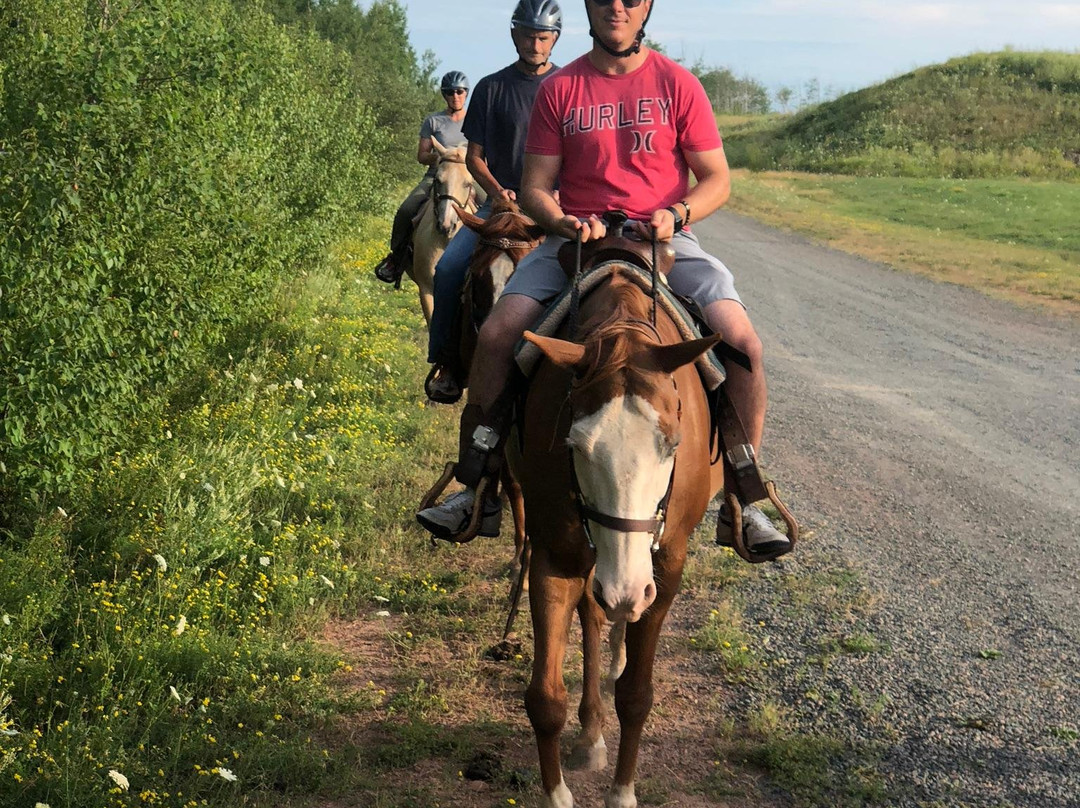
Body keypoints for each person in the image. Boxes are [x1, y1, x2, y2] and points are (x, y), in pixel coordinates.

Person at [417, 0, 792, 553]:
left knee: (743, 345)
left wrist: (678, 214)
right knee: (497, 336)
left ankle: (745, 500)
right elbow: (538, 184)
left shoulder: (678, 84)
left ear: (646, 8)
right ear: (588, 8)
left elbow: (715, 178)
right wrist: (559, 219)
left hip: (665, 240)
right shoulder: (560, 90)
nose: (617, 5)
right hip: (576, 241)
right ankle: (477, 485)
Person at [424, 0, 563, 403]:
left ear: (554, 39)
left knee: (589, 274)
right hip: (498, 206)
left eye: (543, 37)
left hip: (552, 208)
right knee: (450, 269)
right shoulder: (491, 86)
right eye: (527, 35)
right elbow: (474, 158)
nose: (535, 44)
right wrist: (498, 190)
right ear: (514, 35)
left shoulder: (567, 85)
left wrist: (556, 194)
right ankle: (448, 361)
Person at [374, 71, 471, 286]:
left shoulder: (475, 119)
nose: (455, 96)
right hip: (437, 175)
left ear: (466, 93)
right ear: (444, 95)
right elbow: (422, 155)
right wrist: (443, 156)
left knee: (498, 210)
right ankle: (396, 259)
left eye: (459, 91)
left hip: (468, 177)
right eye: (450, 92)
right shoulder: (433, 121)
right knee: (406, 210)